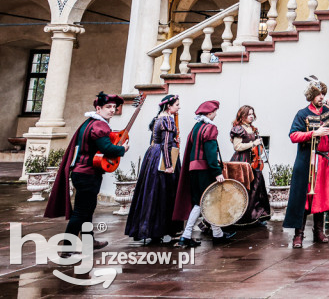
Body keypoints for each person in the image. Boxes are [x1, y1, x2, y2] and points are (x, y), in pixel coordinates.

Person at [45, 91, 128, 253]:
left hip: (82, 172)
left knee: (88, 209)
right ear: (98, 108)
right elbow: (107, 148)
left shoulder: (89, 123)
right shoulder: (99, 125)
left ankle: (89, 242)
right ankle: (67, 248)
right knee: (81, 212)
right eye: (108, 107)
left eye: (114, 107)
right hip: (87, 174)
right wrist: (122, 149)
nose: (112, 110)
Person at [284, 77, 329, 248]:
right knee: (304, 198)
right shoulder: (302, 114)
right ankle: (298, 235)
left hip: (325, 161)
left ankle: (319, 232)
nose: (321, 97)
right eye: (318, 94)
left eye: (323, 94)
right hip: (308, 162)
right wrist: (315, 133)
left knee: (321, 198)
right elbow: (293, 135)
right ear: (311, 96)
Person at [172, 100, 234, 247]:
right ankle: (186, 236)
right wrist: (216, 172)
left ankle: (217, 234)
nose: (216, 114)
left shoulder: (196, 127)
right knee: (203, 202)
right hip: (205, 170)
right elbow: (211, 153)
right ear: (209, 113)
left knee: (204, 202)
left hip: (193, 169)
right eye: (214, 112)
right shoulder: (210, 128)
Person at [125, 94, 180, 244]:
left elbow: (157, 140)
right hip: (162, 158)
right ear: (169, 106)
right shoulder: (168, 120)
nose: (178, 107)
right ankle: (159, 229)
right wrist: (168, 165)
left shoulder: (158, 118)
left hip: (153, 155)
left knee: (151, 193)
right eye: (176, 105)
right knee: (163, 194)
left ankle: (149, 229)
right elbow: (166, 145)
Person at [229, 105, 271, 226]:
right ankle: (241, 218)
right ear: (242, 116)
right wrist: (253, 143)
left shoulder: (252, 128)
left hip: (254, 162)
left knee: (257, 188)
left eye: (252, 113)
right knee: (245, 189)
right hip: (243, 162)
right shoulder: (238, 129)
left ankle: (255, 217)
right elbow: (237, 147)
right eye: (248, 114)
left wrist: (260, 147)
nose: (251, 116)